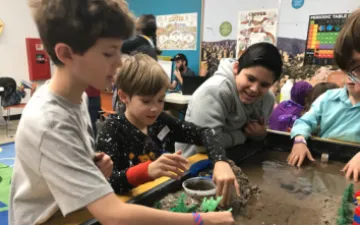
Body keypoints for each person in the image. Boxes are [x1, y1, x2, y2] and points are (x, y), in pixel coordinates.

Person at [10, 1, 234, 225]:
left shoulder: (78, 98)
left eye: (119, 50)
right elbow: (114, 216)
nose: (119, 63)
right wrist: (201, 219)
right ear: (67, 54)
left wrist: (92, 166)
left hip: (77, 210)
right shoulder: (49, 122)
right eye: (109, 53)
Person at [96, 54, 235, 197]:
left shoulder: (161, 121)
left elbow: (205, 132)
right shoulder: (112, 130)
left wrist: (220, 160)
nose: (155, 108)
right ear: (124, 96)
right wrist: (148, 170)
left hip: (160, 193)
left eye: (160, 100)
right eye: (146, 101)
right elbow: (109, 181)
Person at [177, 42, 283, 206]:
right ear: (236, 68)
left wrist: (260, 134)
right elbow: (204, 145)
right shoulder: (214, 91)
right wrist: (243, 134)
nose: (255, 89)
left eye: (264, 85)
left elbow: (258, 134)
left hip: (237, 161)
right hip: (192, 169)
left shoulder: (267, 99)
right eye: (250, 78)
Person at [287, 9, 360, 183]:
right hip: (327, 167)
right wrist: (300, 140)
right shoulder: (328, 98)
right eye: (352, 69)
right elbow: (304, 122)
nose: (353, 77)